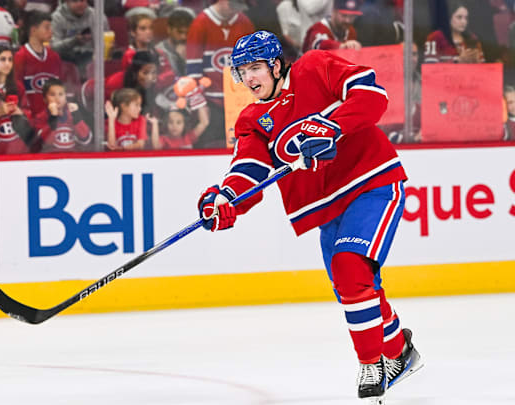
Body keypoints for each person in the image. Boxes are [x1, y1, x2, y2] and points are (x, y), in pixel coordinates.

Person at [196, 30, 424, 403]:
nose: (249, 78)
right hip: (325, 208)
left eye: (255, 67)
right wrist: (225, 200)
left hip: (372, 184)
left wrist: (331, 125)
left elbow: (371, 96)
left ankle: (372, 366)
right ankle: (400, 351)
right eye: (242, 71)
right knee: (353, 288)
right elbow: (248, 171)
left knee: (351, 271)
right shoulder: (252, 119)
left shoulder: (315, 67)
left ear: (275, 63)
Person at [186, 0, 254, 148]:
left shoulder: (244, 22)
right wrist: (199, 104)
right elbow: (193, 70)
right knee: (211, 145)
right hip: (211, 102)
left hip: (239, 100)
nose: (235, 10)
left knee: (243, 146)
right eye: (232, 4)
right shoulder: (200, 24)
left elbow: (253, 64)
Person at [0, 45, 37, 155]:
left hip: (16, 146)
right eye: (3, 59)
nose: (7, 64)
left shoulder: (18, 87)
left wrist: (20, 112)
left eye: (10, 60)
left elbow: (29, 113)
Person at [14, 10, 61, 119]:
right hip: (29, 119)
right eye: (46, 27)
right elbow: (17, 91)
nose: (51, 31)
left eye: (51, 27)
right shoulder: (20, 57)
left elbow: (59, 90)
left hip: (51, 118)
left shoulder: (54, 57)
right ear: (34, 30)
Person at [50, 0, 110, 77]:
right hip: (65, 58)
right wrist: (74, 41)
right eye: (75, 1)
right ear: (67, 2)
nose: (79, 4)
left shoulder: (97, 15)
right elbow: (53, 48)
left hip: (90, 56)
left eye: (82, 0)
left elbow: (105, 42)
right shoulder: (56, 18)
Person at [33, 78, 91, 152]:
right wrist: (53, 117)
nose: (57, 98)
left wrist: (76, 117)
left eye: (61, 94)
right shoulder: (41, 117)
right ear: (45, 99)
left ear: (65, 97)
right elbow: (44, 143)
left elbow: (85, 139)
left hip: (72, 158)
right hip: (50, 160)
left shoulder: (73, 113)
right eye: (52, 94)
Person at [154, 7, 195, 77]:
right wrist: (180, 59)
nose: (184, 37)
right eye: (180, 32)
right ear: (169, 29)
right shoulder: (158, 51)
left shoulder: (195, 49)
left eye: (187, 33)